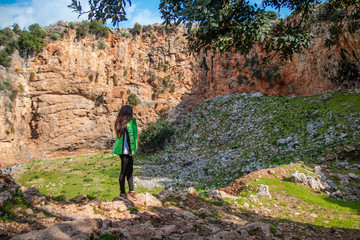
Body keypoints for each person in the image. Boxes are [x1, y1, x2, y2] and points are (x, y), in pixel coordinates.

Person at [112, 105, 138, 201]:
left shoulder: (119, 122)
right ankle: (123, 193)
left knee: (129, 171)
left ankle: (131, 191)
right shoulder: (130, 123)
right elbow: (131, 138)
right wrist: (132, 151)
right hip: (127, 151)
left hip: (122, 151)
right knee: (125, 172)